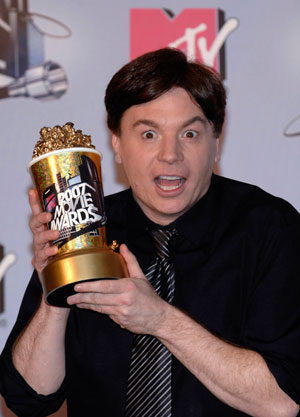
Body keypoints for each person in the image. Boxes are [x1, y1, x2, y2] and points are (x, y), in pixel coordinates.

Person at [1, 48, 300, 417]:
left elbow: (282, 402)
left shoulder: (269, 227)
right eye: (148, 134)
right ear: (117, 146)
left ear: (216, 143)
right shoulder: (83, 224)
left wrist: (159, 319)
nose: (170, 155)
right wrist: (57, 281)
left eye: (190, 133)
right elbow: (28, 399)